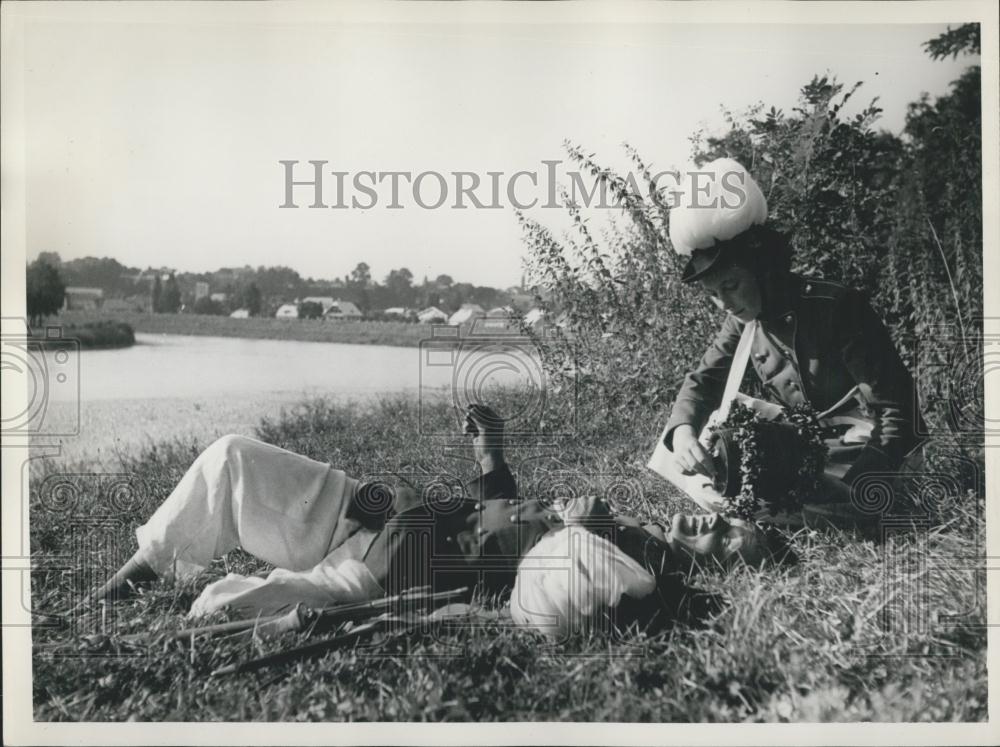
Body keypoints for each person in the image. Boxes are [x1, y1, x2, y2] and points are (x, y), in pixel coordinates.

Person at [92, 404, 794, 628]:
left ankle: (146, 587)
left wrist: (593, 526)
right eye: (729, 519)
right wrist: (492, 455)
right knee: (231, 454)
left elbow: (536, 580)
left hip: (389, 563)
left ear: (733, 571)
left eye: (732, 540)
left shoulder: (646, 568)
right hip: (374, 505)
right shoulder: (638, 532)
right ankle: (142, 568)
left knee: (233, 605)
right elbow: (503, 519)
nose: (715, 523)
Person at [662, 158, 927, 527]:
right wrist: (684, 435)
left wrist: (857, 488)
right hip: (822, 451)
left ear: (762, 266)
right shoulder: (743, 320)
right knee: (712, 443)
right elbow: (702, 381)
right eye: (712, 294)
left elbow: (899, 414)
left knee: (803, 502)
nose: (724, 303)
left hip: (878, 452)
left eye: (731, 286)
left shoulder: (836, 306)